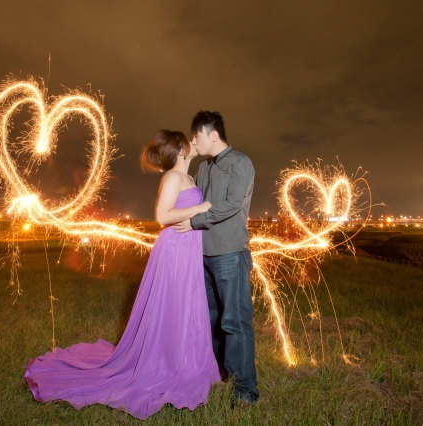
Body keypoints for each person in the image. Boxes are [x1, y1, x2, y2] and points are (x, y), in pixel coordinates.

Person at [24, 130, 220, 420]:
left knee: (187, 305)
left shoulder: (189, 178)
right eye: (187, 141)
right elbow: (163, 216)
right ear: (180, 150)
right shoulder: (173, 178)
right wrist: (201, 207)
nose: (193, 143)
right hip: (175, 250)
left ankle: (186, 362)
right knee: (173, 305)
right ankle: (167, 364)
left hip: (188, 248)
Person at [173, 111, 259, 404]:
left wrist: (196, 223)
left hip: (229, 253)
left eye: (196, 135)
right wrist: (191, 156)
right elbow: (187, 193)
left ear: (212, 134)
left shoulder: (240, 163)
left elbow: (233, 204)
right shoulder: (205, 168)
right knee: (211, 319)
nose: (193, 140)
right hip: (202, 254)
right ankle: (220, 374)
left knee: (235, 321)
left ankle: (245, 389)